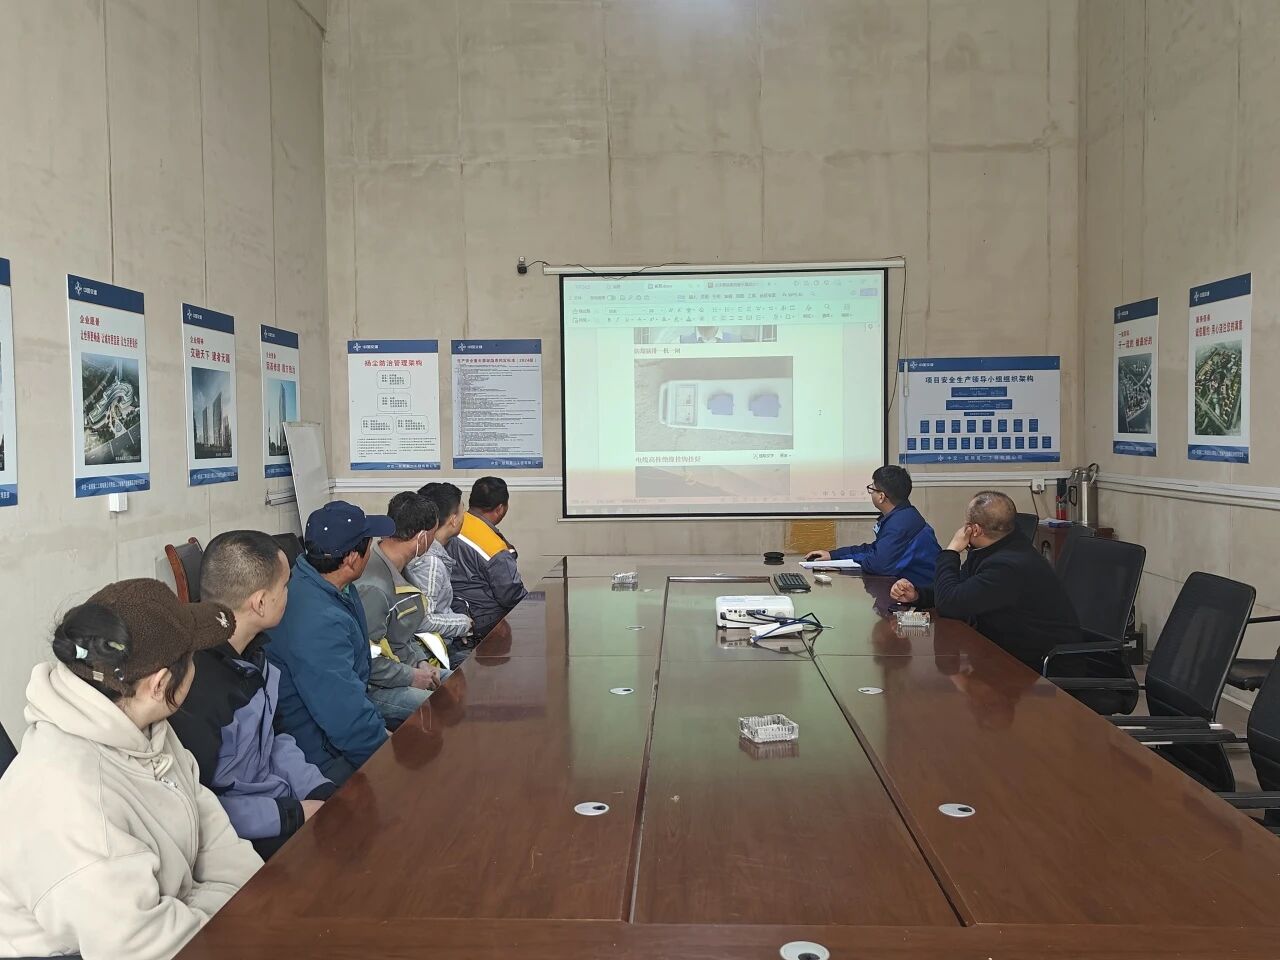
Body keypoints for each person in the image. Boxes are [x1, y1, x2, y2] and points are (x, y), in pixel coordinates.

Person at [0, 579, 261, 960]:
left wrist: (251, 903)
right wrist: (231, 910)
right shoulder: (74, 806)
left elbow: (213, 832)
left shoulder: (141, 725)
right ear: (160, 684)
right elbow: (150, 947)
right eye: (193, 657)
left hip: (186, 922)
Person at [168, 531, 336, 860]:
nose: (289, 594)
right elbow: (199, 809)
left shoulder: (254, 654)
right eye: (284, 586)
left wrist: (316, 788)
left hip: (280, 803)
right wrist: (291, 814)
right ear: (259, 603)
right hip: (242, 837)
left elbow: (274, 737)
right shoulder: (196, 688)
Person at [265, 501, 395, 784]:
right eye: (369, 544)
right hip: (320, 754)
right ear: (352, 559)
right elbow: (344, 718)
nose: (372, 550)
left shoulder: (327, 585)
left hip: (338, 728)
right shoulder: (318, 621)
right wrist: (388, 759)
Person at [889, 490, 1081, 670]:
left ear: (974, 529)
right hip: (1008, 651)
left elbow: (949, 604)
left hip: (1039, 666)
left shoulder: (1007, 566)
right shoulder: (998, 547)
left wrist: (951, 551)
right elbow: (960, 587)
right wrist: (918, 595)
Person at [357, 491, 444, 725]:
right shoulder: (374, 587)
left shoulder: (397, 566)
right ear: (423, 537)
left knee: (459, 684)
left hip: (400, 667)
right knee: (444, 706)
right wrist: (411, 676)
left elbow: (400, 636)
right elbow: (368, 658)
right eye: (433, 534)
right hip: (375, 687)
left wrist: (420, 662)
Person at [806, 465, 941, 587]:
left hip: (923, 595)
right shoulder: (902, 516)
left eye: (872, 489)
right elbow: (874, 550)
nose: (870, 493)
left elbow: (879, 564)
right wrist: (833, 555)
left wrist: (847, 563)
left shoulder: (900, 524)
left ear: (881, 497)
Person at [447, 476, 528, 639]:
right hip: (484, 623)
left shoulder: (452, 525)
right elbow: (511, 596)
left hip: (453, 613)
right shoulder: (494, 548)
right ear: (500, 509)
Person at [408, 481, 474, 653]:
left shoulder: (429, 549)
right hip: (431, 653)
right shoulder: (430, 563)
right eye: (463, 512)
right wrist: (463, 624)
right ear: (453, 520)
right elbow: (421, 621)